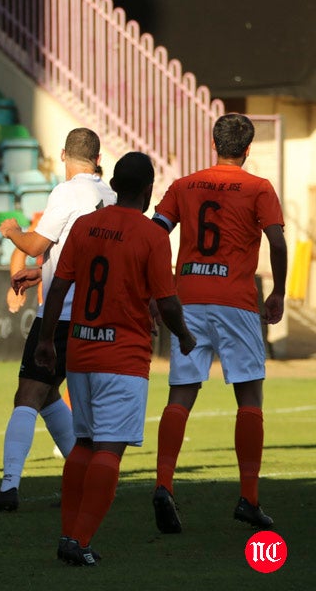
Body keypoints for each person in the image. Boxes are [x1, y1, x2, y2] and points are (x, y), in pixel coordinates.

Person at [34, 151, 196, 566]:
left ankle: (69, 534)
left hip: (82, 353)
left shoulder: (86, 226)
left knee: (84, 445)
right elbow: (168, 301)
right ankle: (80, 540)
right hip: (122, 358)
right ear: (147, 191)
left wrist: (48, 340)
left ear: (115, 185)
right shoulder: (153, 236)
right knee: (109, 448)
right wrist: (183, 335)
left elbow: (58, 287)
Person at [150, 113, 287, 533]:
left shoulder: (183, 185)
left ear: (214, 144)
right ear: (248, 149)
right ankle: (248, 497)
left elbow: (156, 233)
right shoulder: (259, 187)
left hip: (188, 297)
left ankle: (164, 484)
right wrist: (278, 292)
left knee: (181, 394)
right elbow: (277, 240)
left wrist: (158, 289)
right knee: (249, 396)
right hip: (236, 302)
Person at [0, 128, 116, 512]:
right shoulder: (110, 195)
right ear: (98, 158)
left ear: (63, 156)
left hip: (63, 313)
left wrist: (11, 232)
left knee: (28, 395)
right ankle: (83, 476)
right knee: (51, 392)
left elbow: (36, 244)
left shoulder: (68, 192)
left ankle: (8, 488)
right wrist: (42, 273)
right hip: (98, 314)